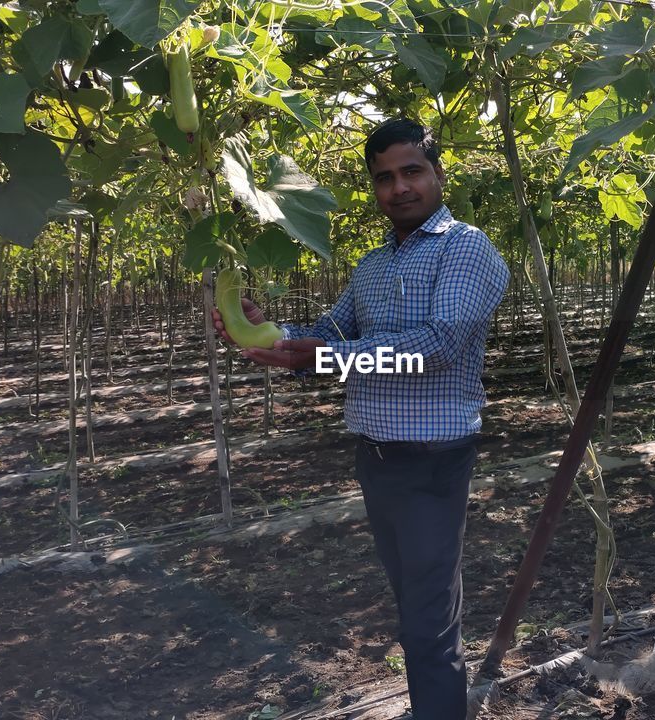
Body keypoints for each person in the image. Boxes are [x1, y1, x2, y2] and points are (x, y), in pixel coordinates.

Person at [213, 118, 509, 719]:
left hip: (434, 462)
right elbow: (330, 334)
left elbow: (439, 343)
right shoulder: (374, 264)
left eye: (411, 172)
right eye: (384, 178)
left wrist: (323, 356)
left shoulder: (466, 247)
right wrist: (270, 334)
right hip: (377, 458)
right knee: (414, 608)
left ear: (437, 173)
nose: (399, 187)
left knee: (429, 625)